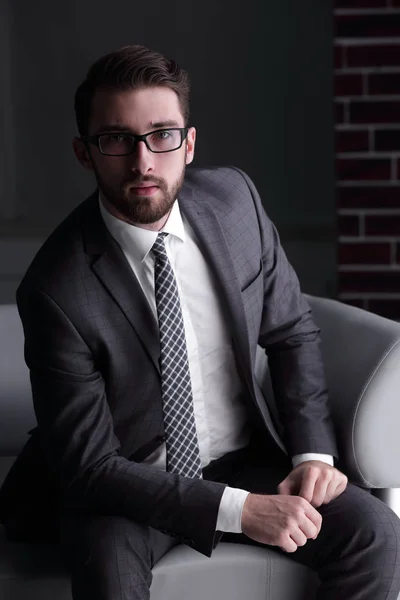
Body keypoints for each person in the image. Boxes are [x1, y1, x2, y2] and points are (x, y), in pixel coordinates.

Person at [0, 44, 399, 600]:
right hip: (130, 483)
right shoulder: (55, 288)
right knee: (109, 577)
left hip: (246, 457)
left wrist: (313, 454)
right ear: (84, 152)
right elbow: (91, 468)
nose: (142, 162)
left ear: (188, 144)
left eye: (162, 135)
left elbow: (291, 334)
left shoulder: (236, 204)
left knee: (375, 532)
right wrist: (241, 512)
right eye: (116, 139)